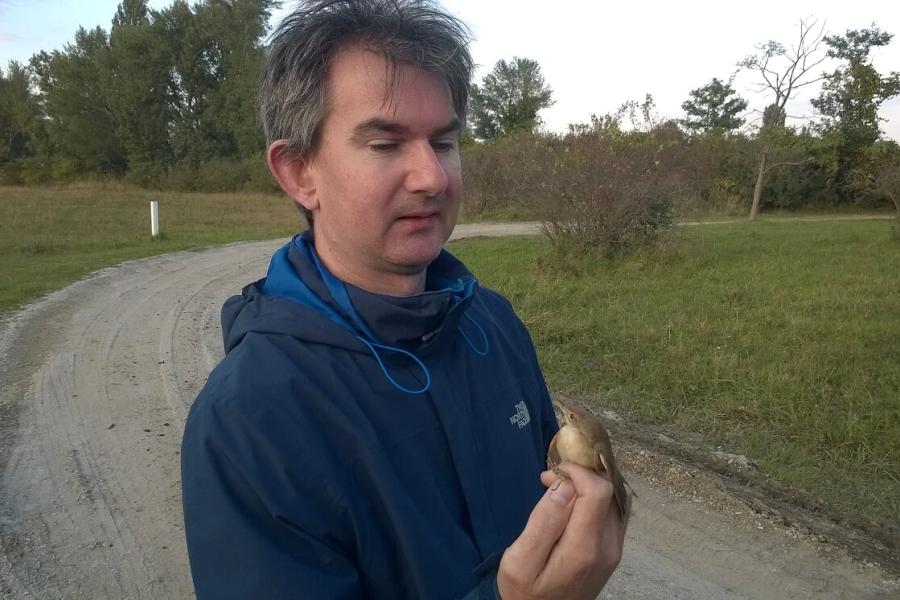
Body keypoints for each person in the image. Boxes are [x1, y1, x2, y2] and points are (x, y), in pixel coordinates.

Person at [180, 1, 625, 598]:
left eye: (443, 141)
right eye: (386, 144)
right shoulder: (250, 419)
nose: (432, 177)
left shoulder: (492, 323)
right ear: (298, 172)